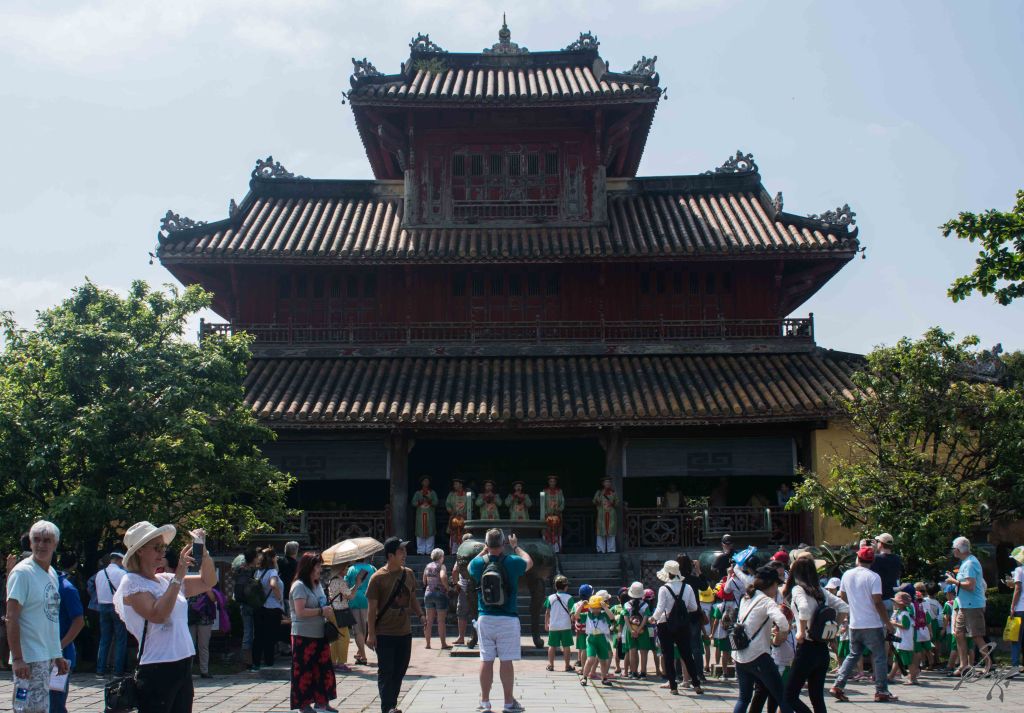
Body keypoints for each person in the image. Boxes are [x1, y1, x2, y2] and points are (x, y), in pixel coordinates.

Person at [114, 521, 216, 713]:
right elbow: (157, 615)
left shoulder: (165, 580)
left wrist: (203, 552)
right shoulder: (131, 582)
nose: (162, 552)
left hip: (183, 662)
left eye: (163, 547)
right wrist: (178, 575)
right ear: (140, 551)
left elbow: (207, 581)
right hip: (157, 666)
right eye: (157, 547)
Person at [6, 521, 69, 713]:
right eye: (37, 540)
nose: (41, 545)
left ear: (55, 544)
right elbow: (11, 617)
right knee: (25, 708)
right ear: (30, 543)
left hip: (44, 657)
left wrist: (56, 654)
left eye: (47, 540)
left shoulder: (50, 573)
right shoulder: (22, 573)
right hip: (28, 658)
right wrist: (17, 658)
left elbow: (50, 617)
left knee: (40, 708)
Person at [468, 529, 532, 713]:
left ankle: (485, 703)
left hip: (485, 617)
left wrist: (483, 550)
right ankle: (508, 703)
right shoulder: (513, 561)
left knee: (486, 660)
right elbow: (530, 562)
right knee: (506, 661)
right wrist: (516, 547)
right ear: (503, 544)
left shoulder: (479, 563)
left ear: (487, 545)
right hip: (508, 617)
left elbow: (470, 566)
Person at [830, 545, 898, 703]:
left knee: (853, 655)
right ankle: (881, 691)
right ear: (872, 560)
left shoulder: (847, 575)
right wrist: (888, 623)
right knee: (879, 656)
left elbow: (843, 598)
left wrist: (846, 616)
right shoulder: (874, 577)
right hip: (872, 624)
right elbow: (878, 602)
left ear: (858, 558)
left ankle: (838, 685)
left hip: (855, 623)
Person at [784, 556, 848, 713]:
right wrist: (833, 630)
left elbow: (804, 610)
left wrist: (800, 631)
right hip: (822, 649)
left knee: (789, 696)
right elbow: (844, 607)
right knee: (817, 696)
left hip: (806, 648)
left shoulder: (798, 589)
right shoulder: (821, 591)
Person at [366, 537, 421, 713]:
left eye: (404, 551)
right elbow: (371, 609)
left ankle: (392, 705)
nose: (404, 554)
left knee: (399, 671)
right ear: (390, 555)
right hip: (384, 633)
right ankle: (388, 708)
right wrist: (371, 633)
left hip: (404, 632)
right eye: (400, 551)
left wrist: (421, 614)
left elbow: (412, 598)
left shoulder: (409, 573)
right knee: (386, 671)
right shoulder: (377, 578)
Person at [730, 565, 792, 713]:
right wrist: (782, 633)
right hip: (758, 655)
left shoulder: (747, 597)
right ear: (770, 584)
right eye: (776, 585)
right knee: (782, 696)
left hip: (740, 655)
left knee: (743, 698)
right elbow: (782, 622)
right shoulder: (766, 601)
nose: (777, 589)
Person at [289, 552, 338, 713]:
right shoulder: (299, 586)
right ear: (309, 567)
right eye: (317, 566)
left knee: (324, 669)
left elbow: (322, 604)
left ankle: (322, 701)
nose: (319, 569)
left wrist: (328, 610)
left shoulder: (317, 585)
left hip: (319, 633)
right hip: (303, 634)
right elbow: (300, 611)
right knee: (303, 670)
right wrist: (320, 611)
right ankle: (303, 705)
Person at [651, 559, 703, 696]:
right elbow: (694, 607)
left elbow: (660, 608)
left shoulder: (664, 588)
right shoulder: (687, 587)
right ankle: (696, 684)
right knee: (687, 654)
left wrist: (653, 618)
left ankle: (673, 686)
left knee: (668, 655)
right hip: (683, 624)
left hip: (665, 623)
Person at [946, 535, 989, 676]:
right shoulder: (966, 562)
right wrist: (955, 579)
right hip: (964, 604)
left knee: (976, 635)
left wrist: (954, 582)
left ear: (959, 549)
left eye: (954, 549)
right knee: (959, 633)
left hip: (973, 605)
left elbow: (970, 586)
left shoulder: (970, 563)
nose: (953, 551)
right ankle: (964, 665)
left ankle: (988, 665)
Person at [96, 551, 128, 678]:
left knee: (104, 639)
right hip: (116, 606)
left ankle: (100, 669)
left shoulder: (99, 573)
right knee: (120, 639)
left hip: (102, 606)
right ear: (120, 560)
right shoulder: (122, 573)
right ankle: (118, 670)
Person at [677, 554, 709, 685]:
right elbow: (705, 587)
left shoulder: (676, 580)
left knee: (680, 645)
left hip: (679, 615)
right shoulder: (693, 579)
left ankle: (679, 673)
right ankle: (698, 673)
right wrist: (699, 570)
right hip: (694, 615)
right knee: (695, 645)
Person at [252, 547, 284, 670]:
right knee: (270, 636)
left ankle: (256, 662)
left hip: (259, 606)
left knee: (258, 635)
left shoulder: (258, 572)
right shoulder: (272, 573)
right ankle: (269, 660)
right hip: (272, 607)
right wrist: (279, 597)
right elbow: (273, 584)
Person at [345, 556, 376, 666]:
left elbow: (346, 584)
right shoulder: (372, 568)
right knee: (364, 627)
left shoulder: (351, 569)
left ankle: (362, 655)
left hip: (354, 597)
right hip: (368, 597)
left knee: (357, 630)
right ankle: (360, 654)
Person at [325, 565, 356, 673]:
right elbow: (350, 596)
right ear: (340, 569)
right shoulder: (340, 581)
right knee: (344, 637)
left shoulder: (332, 580)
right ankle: (341, 663)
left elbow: (344, 593)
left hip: (333, 610)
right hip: (340, 611)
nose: (347, 570)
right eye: (345, 568)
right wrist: (357, 584)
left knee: (335, 637)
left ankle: (333, 662)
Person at [232, 548, 259, 671]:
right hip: (253, 604)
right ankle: (251, 660)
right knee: (252, 633)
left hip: (243, 604)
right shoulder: (253, 571)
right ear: (253, 558)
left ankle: (246, 661)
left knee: (247, 632)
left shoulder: (239, 570)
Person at [580, 592, 614, 686]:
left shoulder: (604, 614)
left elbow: (612, 617)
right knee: (591, 659)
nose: (596, 609)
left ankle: (604, 678)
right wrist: (582, 605)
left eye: (598, 607)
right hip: (591, 638)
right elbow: (576, 616)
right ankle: (584, 677)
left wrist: (605, 607)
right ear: (590, 607)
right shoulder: (587, 615)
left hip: (602, 638)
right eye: (594, 607)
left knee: (603, 660)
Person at [623, 581, 653, 679]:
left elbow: (626, 618)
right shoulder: (645, 605)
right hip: (643, 630)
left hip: (630, 630)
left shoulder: (627, 604)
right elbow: (645, 618)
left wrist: (632, 630)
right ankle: (643, 673)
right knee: (643, 651)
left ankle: (633, 672)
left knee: (632, 651)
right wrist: (639, 628)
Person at [544, 575, 574, 672]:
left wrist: (546, 623)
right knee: (566, 646)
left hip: (554, 625)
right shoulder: (569, 598)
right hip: (566, 625)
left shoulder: (550, 598)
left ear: (556, 587)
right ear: (565, 587)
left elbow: (547, 612)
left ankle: (551, 665)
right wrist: (573, 621)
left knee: (552, 646)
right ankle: (567, 665)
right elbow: (571, 612)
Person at [421, 548, 449, 649]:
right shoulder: (441, 566)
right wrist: (447, 587)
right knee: (441, 621)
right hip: (440, 594)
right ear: (441, 557)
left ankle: (428, 644)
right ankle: (443, 644)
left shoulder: (427, 566)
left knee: (429, 621)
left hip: (428, 594)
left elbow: (424, 581)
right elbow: (443, 577)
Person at [187, 587, 217, 679]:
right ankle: (187, 671)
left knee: (203, 646)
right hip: (191, 615)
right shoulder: (190, 581)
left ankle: (204, 671)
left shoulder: (211, 582)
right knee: (189, 645)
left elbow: (213, 598)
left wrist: (207, 588)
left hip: (205, 617)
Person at [871, 533, 903, 616]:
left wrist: (873, 551)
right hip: (893, 599)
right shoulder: (897, 558)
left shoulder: (876, 558)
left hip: (880, 599)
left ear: (881, 544)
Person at [412, 478, 439, 555]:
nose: (426, 482)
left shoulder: (432, 493)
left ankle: (429, 551)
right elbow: (413, 503)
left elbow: (436, 502)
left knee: (430, 531)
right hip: (420, 516)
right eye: (424, 481)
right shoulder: (418, 493)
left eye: (427, 481)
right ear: (421, 483)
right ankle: (420, 551)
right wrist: (419, 502)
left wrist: (430, 501)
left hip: (430, 516)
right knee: (420, 532)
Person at [592, 478, 618, 553]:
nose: (608, 484)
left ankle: (611, 550)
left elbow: (617, 502)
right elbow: (594, 501)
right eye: (606, 482)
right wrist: (598, 500)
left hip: (611, 514)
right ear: (603, 483)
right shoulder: (599, 492)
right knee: (601, 532)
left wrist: (612, 503)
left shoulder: (613, 492)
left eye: (609, 482)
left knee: (611, 532)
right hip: (602, 514)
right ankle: (600, 549)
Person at [1009, 545, 1024, 671]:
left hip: (1020, 608)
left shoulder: (1019, 570)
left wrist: (1012, 606)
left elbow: (1018, 589)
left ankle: (1014, 664)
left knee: (1016, 637)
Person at [445, 478, 471, 552]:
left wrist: (465, 514)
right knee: (453, 534)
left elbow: (470, 506)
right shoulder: (451, 494)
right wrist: (452, 511)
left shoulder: (467, 494)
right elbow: (448, 504)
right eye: (454, 484)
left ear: (461, 484)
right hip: (454, 518)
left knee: (464, 533)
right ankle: (454, 551)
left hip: (464, 518)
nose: (454, 486)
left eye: (456, 484)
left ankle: (463, 550)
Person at [542, 476, 565, 552]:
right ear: (548, 482)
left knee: (557, 531)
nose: (552, 483)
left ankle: (557, 549)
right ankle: (547, 549)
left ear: (556, 482)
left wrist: (559, 509)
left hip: (557, 515)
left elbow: (562, 502)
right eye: (551, 481)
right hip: (547, 515)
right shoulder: (544, 491)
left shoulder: (559, 491)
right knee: (547, 531)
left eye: (554, 481)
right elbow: (543, 503)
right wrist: (545, 512)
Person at [278, 542, 299, 615]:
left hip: (280, 593)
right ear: (296, 551)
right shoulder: (296, 564)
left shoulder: (279, 561)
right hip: (291, 594)